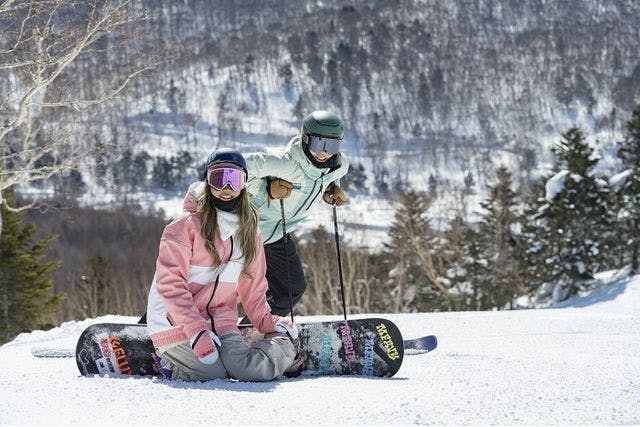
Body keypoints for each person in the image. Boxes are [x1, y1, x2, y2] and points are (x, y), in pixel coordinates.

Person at [146, 148, 301, 382]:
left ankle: (287, 349)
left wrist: (265, 320)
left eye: (234, 180)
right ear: (207, 183)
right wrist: (196, 331)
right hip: (175, 322)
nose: (226, 189)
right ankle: (165, 361)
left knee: (247, 371)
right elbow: (170, 284)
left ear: (244, 184)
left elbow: (253, 288)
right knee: (213, 375)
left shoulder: (249, 231)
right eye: (218, 179)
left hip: (221, 321)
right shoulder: (184, 226)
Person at [241, 110, 349, 322]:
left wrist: (331, 188)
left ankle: (252, 331)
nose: (324, 152)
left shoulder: (338, 167)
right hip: (245, 232)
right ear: (305, 139)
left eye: (332, 145)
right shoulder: (285, 163)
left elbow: (327, 177)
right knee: (222, 289)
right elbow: (237, 166)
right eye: (318, 143)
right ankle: (194, 332)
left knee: (290, 289)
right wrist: (266, 190)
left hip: (276, 236)